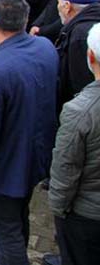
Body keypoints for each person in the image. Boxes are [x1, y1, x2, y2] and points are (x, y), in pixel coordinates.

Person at [0, 0, 59, 265]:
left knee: (5, 232)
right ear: (25, 19)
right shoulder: (44, 47)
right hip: (35, 157)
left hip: (5, 171)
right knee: (19, 217)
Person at [50, 22, 100, 265]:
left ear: (90, 56)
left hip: (85, 214)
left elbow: (66, 167)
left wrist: (58, 210)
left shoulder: (79, 110)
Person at [56, 0, 100, 111]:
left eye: (58, 2)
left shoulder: (79, 36)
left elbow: (79, 83)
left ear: (67, 6)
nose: (57, 7)